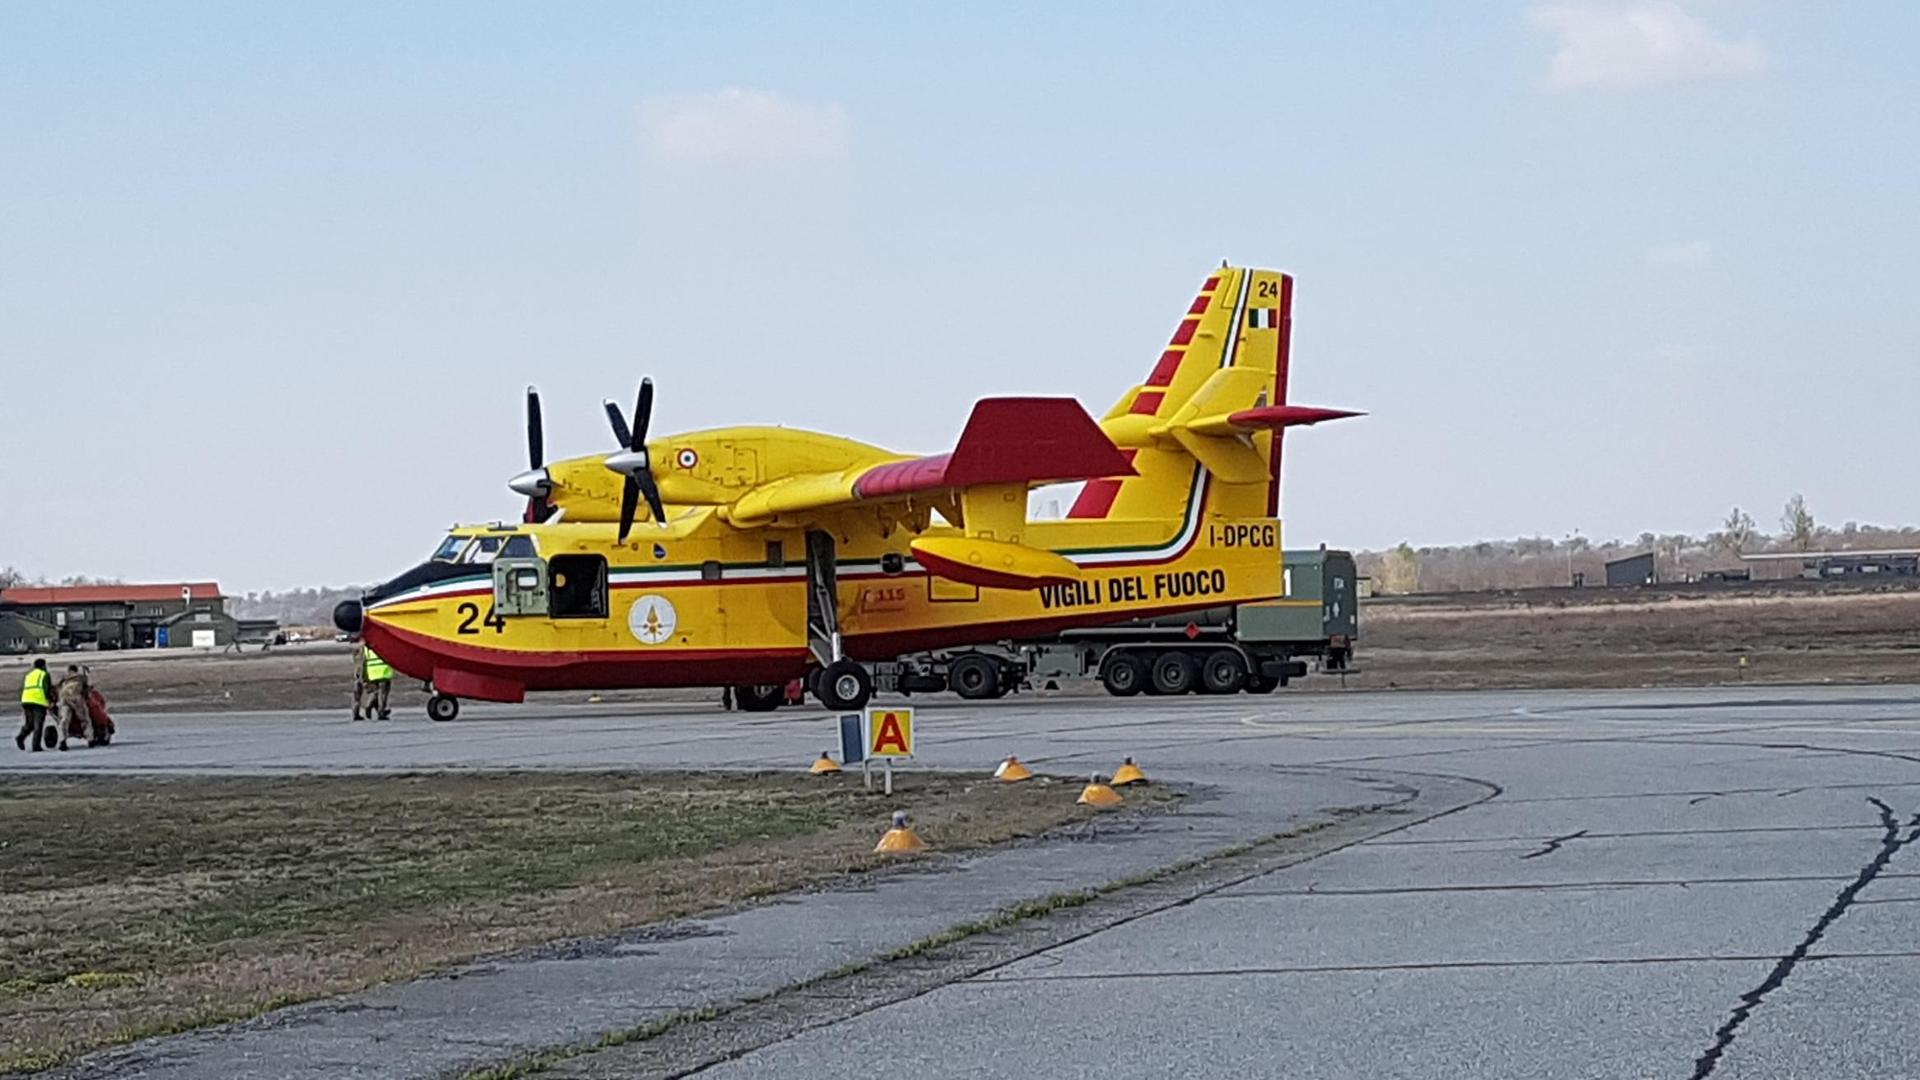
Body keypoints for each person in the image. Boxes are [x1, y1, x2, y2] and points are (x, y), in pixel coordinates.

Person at [17, 658, 51, 752]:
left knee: (30, 723)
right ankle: (36, 746)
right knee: (38, 725)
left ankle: (21, 736)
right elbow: (46, 689)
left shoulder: (29, 675)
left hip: (26, 701)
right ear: (43, 665)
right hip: (38, 701)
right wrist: (49, 700)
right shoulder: (44, 674)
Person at [54, 665, 90, 751]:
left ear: (68, 670)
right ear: (76, 670)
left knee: (64, 720)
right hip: (75, 698)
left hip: (63, 698)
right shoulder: (80, 677)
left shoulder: (63, 677)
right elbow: (86, 689)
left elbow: (56, 687)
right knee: (84, 718)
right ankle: (90, 738)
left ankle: (62, 740)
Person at [357, 641, 394, 721]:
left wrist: (363, 675)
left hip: (372, 673)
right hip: (383, 672)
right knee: (382, 695)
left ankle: (370, 706)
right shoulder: (384, 645)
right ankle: (379, 712)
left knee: (375, 693)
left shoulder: (366, 647)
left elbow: (364, 660)